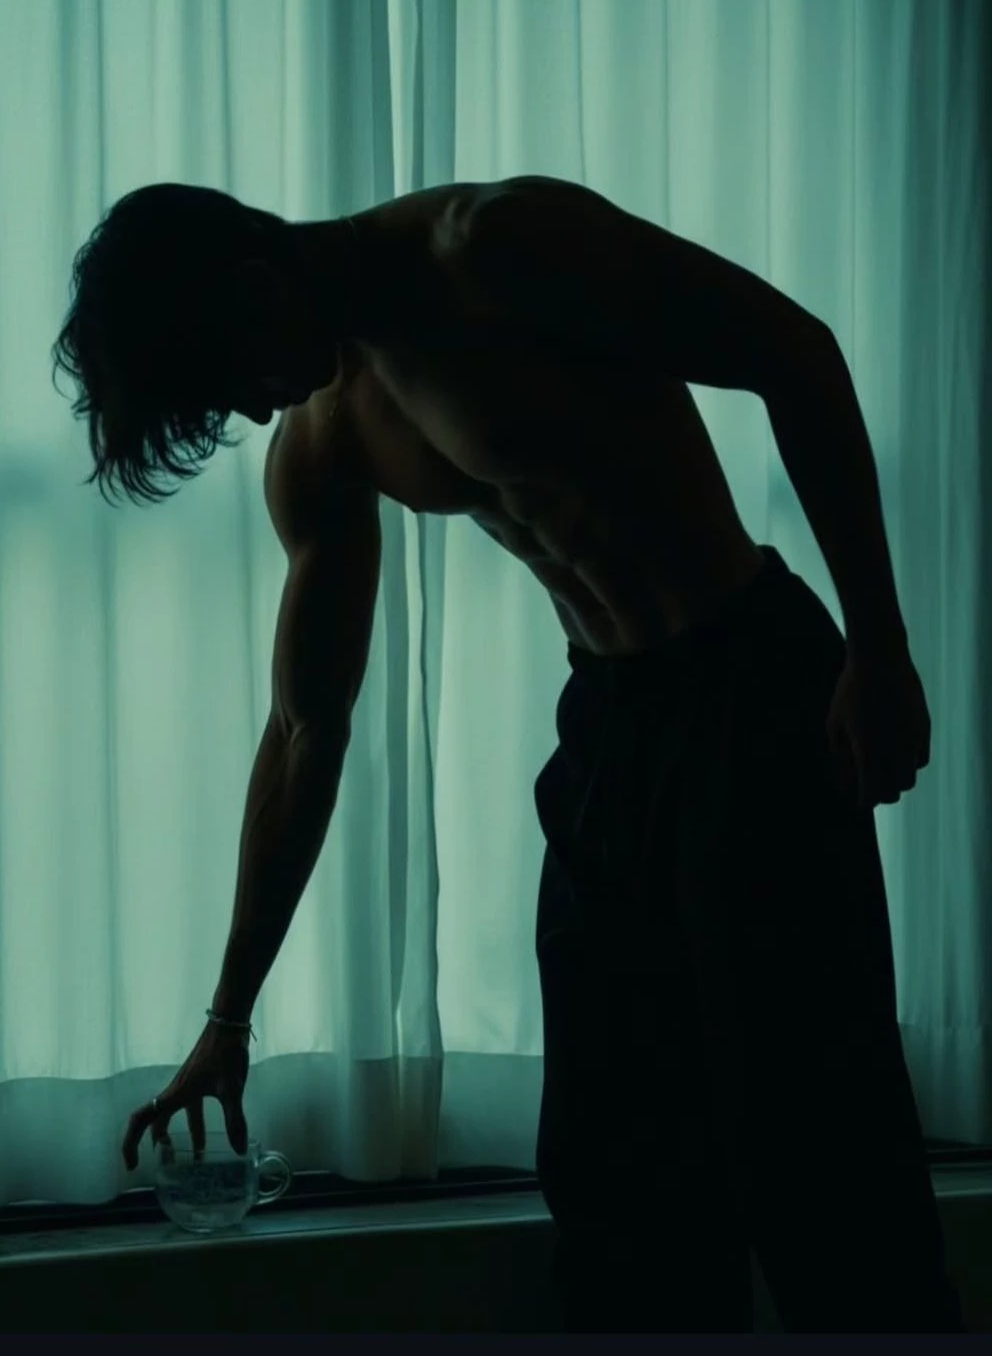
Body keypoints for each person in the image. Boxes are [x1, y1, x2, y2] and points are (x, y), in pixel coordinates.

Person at [52, 175, 965, 1333]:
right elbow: (304, 730)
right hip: (608, 731)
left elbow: (796, 352)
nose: (251, 411)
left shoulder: (495, 250)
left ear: (253, 287)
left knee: (826, 1173)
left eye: (234, 377)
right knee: (618, 1194)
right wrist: (227, 1018)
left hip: (751, 688)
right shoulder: (326, 438)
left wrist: (878, 648)